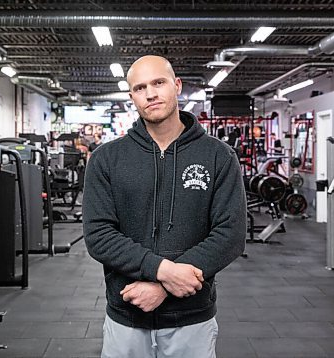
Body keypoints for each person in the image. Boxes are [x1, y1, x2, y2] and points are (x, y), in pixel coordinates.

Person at [83, 55, 246, 358]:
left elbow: (230, 234)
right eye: (140, 87)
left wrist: (163, 286)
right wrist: (162, 270)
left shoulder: (218, 156)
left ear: (177, 86)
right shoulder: (107, 159)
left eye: (159, 82)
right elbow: (99, 235)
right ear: (132, 96)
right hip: (127, 314)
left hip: (192, 318)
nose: (151, 93)